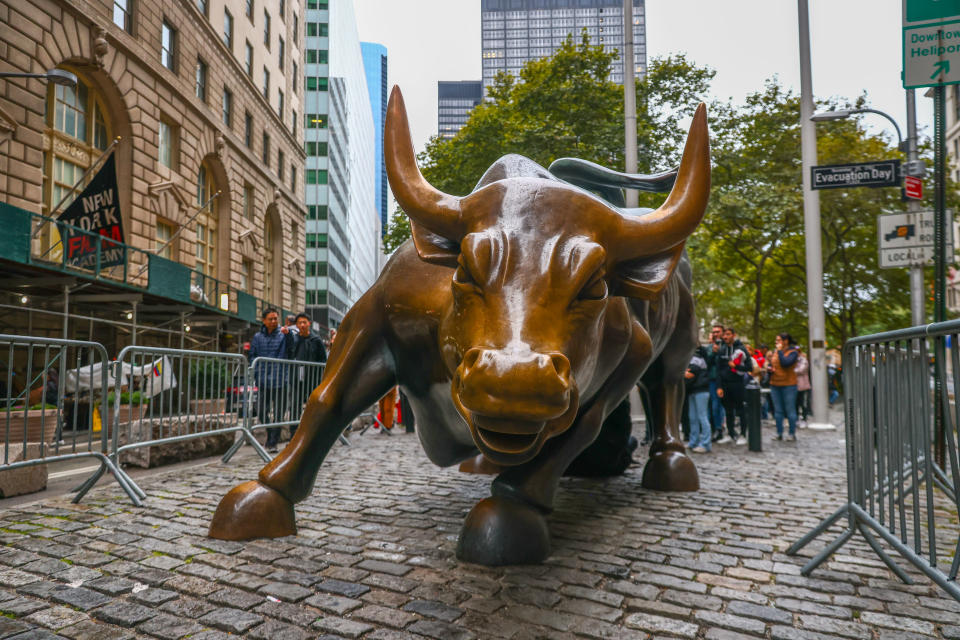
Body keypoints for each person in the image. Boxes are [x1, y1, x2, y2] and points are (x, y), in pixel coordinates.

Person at [249, 308, 293, 453]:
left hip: (280, 379)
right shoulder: (257, 337)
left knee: (279, 413)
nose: (274, 321)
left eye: (276, 318)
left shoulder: (283, 334)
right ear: (264, 320)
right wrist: (255, 372)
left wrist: (288, 336)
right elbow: (252, 355)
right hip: (263, 380)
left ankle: (272, 442)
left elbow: (291, 349)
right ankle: (271, 435)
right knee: (261, 410)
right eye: (271, 319)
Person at [286, 313, 327, 439]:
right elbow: (289, 354)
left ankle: (314, 433)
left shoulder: (316, 340)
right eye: (299, 323)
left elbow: (323, 360)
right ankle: (294, 434)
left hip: (312, 380)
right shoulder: (294, 339)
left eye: (304, 322)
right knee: (294, 407)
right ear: (297, 325)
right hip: (296, 380)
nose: (302, 325)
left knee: (313, 407)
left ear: (309, 323)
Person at [716, 327, 752, 445]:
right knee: (728, 410)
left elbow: (749, 367)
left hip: (738, 383)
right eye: (724, 335)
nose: (725, 337)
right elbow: (718, 369)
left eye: (728, 334)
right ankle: (730, 433)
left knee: (740, 410)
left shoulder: (741, 349)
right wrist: (719, 386)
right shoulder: (722, 349)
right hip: (725, 384)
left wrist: (736, 367)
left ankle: (743, 434)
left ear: (733, 335)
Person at [766, 333, 800, 441]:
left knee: (790, 410)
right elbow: (772, 364)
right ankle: (779, 433)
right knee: (778, 411)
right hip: (775, 385)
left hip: (789, 385)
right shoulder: (775, 352)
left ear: (786, 341)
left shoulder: (793, 352)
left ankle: (791, 433)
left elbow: (786, 363)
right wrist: (769, 369)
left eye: (779, 340)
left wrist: (780, 351)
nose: (776, 342)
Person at [684, 345, 711, 453]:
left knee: (701, 417)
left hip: (700, 390)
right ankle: (693, 442)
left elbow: (691, 373)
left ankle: (705, 444)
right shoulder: (695, 357)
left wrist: (683, 372)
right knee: (693, 418)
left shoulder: (695, 358)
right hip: (695, 390)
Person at [704, 324, 726, 442]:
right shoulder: (710, 347)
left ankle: (725, 428)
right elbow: (707, 362)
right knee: (714, 406)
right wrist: (713, 352)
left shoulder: (727, 346)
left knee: (724, 406)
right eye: (714, 332)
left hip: (725, 380)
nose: (716, 334)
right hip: (713, 380)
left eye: (718, 331)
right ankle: (716, 429)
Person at [795, 348, 811, 428]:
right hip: (794, 386)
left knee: (803, 403)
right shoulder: (793, 360)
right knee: (796, 404)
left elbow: (801, 370)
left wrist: (790, 371)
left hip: (803, 386)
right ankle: (797, 419)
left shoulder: (803, 360)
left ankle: (804, 419)